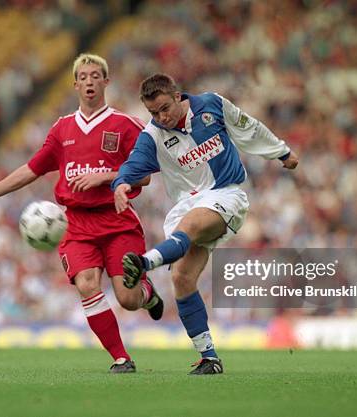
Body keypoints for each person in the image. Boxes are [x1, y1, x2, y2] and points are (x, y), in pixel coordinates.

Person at [0, 54, 163, 373]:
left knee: (127, 298)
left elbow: (146, 173)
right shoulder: (62, 129)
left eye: (95, 76)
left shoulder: (125, 125)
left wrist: (107, 176)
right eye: (83, 77)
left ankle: (147, 294)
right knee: (86, 283)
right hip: (76, 224)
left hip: (116, 220)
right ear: (75, 84)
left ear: (106, 82)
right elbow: (32, 169)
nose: (89, 82)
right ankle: (121, 358)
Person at [112, 73, 298, 375]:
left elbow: (248, 128)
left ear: (177, 96)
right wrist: (120, 184)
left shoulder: (211, 105)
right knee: (182, 278)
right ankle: (209, 358)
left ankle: (145, 263)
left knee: (191, 225)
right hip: (187, 204)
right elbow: (133, 164)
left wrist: (282, 152)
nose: (161, 117)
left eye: (164, 108)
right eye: (153, 113)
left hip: (226, 195)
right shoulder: (153, 134)